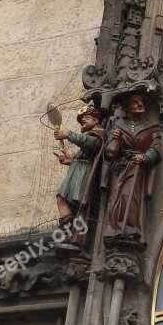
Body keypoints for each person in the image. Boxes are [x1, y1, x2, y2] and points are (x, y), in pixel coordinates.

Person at [102, 92, 163, 249]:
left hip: (137, 168)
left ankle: (130, 228)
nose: (139, 105)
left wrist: (145, 157)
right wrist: (114, 138)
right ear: (127, 108)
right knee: (115, 197)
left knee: (129, 196)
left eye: (141, 102)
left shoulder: (151, 127)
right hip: (120, 168)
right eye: (135, 102)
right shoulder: (118, 126)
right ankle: (116, 228)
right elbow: (110, 152)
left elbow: (156, 148)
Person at [53, 105, 105, 247]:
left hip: (83, 174)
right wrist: (70, 160)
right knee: (62, 199)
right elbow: (85, 153)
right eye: (81, 120)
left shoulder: (99, 134)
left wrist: (67, 134)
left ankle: (69, 233)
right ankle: (68, 232)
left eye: (86, 118)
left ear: (96, 119)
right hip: (78, 170)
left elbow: (90, 143)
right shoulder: (89, 135)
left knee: (66, 200)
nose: (83, 121)